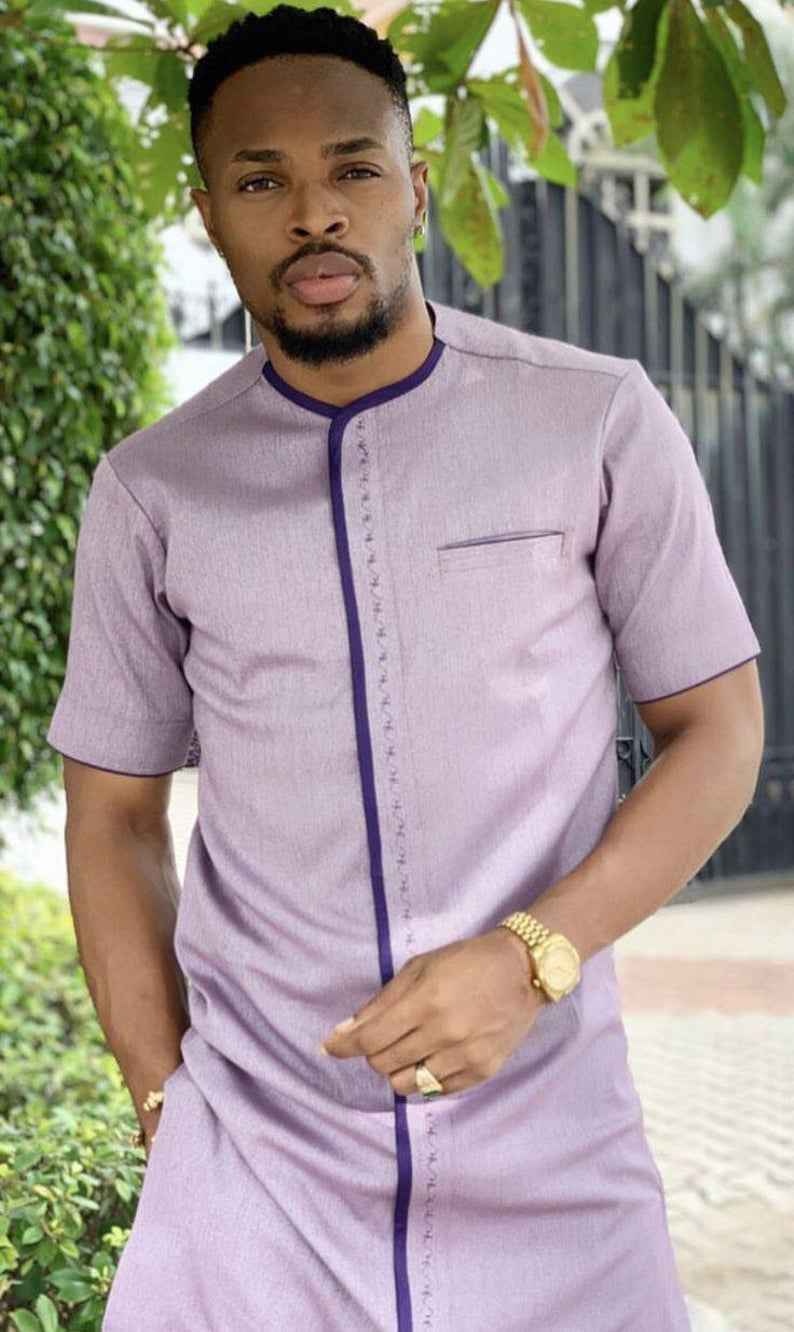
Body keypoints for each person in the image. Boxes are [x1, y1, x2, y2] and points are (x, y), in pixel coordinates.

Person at [47, 5, 765, 1330]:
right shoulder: (152, 492)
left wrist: (533, 957)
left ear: (416, 189)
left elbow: (718, 730)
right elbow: (113, 818)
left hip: (555, 1157)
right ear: (206, 214)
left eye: (353, 168)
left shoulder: (595, 419)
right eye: (260, 181)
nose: (314, 213)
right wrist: (166, 1108)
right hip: (254, 1179)